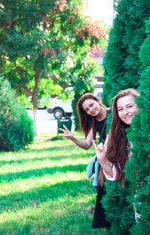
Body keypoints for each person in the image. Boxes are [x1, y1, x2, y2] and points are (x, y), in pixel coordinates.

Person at [58, 92, 110, 229]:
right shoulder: (94, 122)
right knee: (106, 198)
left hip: (122, 160)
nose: (91, 110)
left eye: (91, 105)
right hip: (106, 163)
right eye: (87, 109)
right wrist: (73, 138)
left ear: (97, 100)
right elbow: (87, 145)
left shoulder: (115, 113)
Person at [93, 89, 140, 185]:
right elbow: (118, 173)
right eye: (120, 109)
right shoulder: (123, 138)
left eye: (130, 106)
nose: (125, 112)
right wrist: (103, 161)